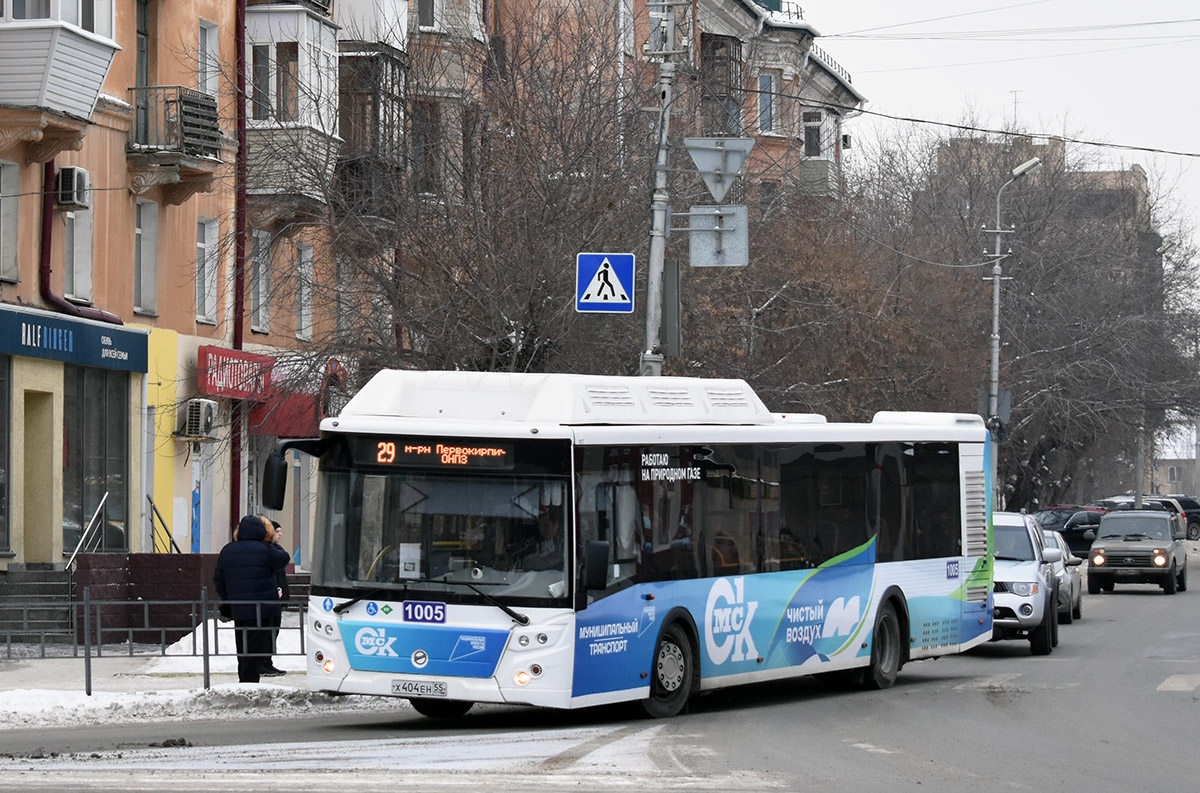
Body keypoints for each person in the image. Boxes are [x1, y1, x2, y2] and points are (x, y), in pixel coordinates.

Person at [213, 514, 290, 683]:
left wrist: (228, 598)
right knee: (258, 647)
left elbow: (218, 579)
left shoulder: (228, 550)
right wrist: (270, 541)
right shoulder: (266, 549)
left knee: (243, 645)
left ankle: (245, 678)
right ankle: (250, 682)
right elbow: (284, 558)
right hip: (263, 608)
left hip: (239, 608)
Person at [258, 517, 289, 677]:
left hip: (277, 599)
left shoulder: (275, 551)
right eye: (277, 531)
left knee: (272, 632)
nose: (280, 534)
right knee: (267, 633)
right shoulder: (269, 552)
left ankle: (267, 662)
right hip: (270, 598)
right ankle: (263, 663)